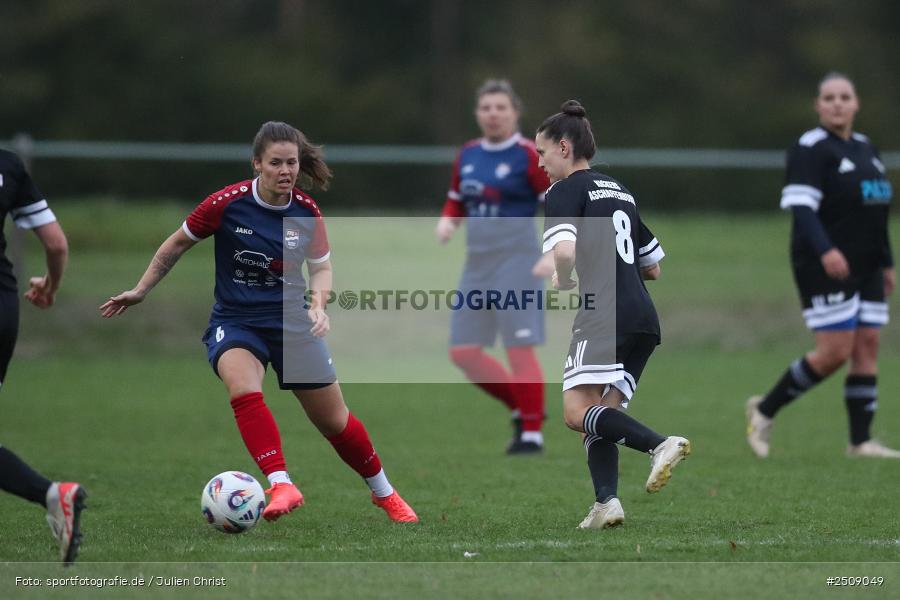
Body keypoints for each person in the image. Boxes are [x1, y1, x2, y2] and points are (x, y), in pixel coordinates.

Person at [100, 122, 418, 522]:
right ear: (257, 164)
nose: (285, 171)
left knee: (335, 421)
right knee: (242, 387)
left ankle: (383, 493)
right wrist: (141, 289)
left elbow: (322, 269)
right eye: (276, 163)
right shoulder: (226, 203)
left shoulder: (305, 211)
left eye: (292, 163)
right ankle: (280, 483)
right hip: (236, 322)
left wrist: (319, 305)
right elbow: (176, 243)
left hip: (292, 323)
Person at [537, 100, 690, 529]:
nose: (541, 164)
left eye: (542, 154)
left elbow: (563, 250)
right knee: (601, 415)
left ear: (564, 148)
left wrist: (564, 278)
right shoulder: (619, 190)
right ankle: (606, 503)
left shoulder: (564, 190)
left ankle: (661, 444)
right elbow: (653, 268)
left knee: (573, 412)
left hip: (603, 314)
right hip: (643, 317)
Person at [746, 73, 897, 459]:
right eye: (829, 97)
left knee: (867, 344)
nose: (837, 103)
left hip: (867, 265)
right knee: (834, 352)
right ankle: (764, 410)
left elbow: (877, 213)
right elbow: (802, 208)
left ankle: (860, 442)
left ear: (856, 103)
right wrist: (827, 251)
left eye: (844, 96)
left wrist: (887, 262)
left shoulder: (867, 148)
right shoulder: (809, 148)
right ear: (818, 105)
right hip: (823, 263)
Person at [436, 79, 552, 454]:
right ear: (477, 113)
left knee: (518, 348)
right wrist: (448, 221)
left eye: (501, 107)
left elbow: (557, 203)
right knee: (463, 352)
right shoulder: (468, 153)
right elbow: (457, 199)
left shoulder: (528, 154)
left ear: (515, 112)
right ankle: (523, 406)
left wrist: (554, 251)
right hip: (478, 264)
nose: (493, 114)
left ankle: (531, 434)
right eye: (486, 107)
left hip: (518, 262)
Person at [0, 148, 86, 564]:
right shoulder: (9, 165)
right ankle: (53, 497)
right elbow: (56, 243)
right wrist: (50, 286)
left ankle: (53, 495)